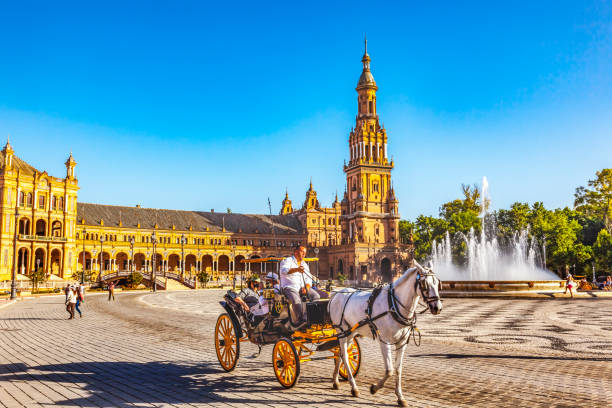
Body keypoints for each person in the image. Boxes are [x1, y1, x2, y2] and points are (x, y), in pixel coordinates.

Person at [279, 245, 320, 325]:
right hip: (290, 287)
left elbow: (308, 279)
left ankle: (311, 317)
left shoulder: (304, 264)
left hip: (302, 288)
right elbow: (284, 271)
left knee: (316, 296)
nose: (304, 254)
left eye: (305, 253)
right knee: (296, 300)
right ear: (296, 252)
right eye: (302, 252)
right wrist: (297, 269)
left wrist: (307, 288)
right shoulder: (287, 261)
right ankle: (300, 320)